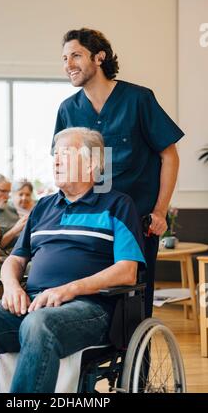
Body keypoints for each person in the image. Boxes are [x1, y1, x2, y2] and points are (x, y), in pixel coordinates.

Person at [0, 128, 145, 393]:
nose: (55, 161)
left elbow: (127, 272)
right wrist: (11, 286)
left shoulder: (117, 205)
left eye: (65, 154)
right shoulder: (43, 207)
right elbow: (15, 260)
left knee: (38, 323)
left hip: (90, 309)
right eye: (55, 155)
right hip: (34, 303)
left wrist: (70, 289)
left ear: (91, 164)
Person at [53, 28, 184, 317]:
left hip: (138, 221)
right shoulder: (68, 109)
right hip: (90, 220)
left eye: (76, 55)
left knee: (135, 304)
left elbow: (169, 155)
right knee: (89, 296)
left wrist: (160, 211)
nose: (68, 64)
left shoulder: (138, 99)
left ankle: (138, 362)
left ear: (99, 57)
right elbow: (64, 166)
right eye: (64, 58)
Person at [0, 174, 28, 251]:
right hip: (9, 254)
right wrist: (15, 229)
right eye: (3, 191)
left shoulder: (11, 209)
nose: (7, 196)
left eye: (8, 192)